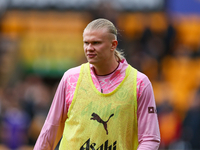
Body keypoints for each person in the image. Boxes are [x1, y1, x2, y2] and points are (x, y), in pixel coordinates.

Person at [34, 18, 160, 150]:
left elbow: (150, 139)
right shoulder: (70, 78)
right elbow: (50, 129)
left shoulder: (139, 83)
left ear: (113, 45)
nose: (89, 48)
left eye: (96, 43)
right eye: (86, 43)